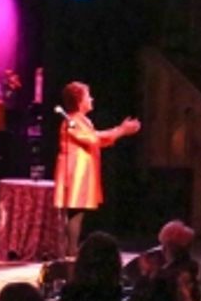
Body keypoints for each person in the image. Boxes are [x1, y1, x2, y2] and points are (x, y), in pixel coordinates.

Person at [53, 81, 140, 257]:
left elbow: (99, 140)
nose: (91, 99)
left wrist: (120, 132)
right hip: (74, 173)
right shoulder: (72, 122)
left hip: (82, 173)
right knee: (75, 209)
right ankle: (70, 250)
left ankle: (71, 248)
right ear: (79, 100)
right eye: (88, 96)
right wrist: (120, 130)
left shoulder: (83, 121)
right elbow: (93, 139)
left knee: (78, 210)